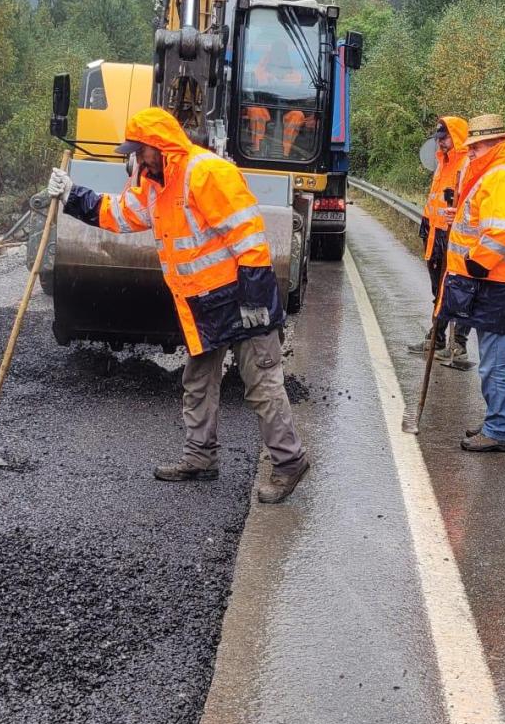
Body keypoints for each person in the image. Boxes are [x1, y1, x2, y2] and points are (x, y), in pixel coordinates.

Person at [46, 107, 310, 504]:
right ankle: (199, 457)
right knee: (199, 381)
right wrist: (71, 195)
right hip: (203, 306)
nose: (136, 158)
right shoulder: (155, 185)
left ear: (159, 146)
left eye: (140, 150)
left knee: (262, 385)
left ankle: (289, 462)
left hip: (241, 298)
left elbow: (250, 236)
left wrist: (256, 302)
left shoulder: (206, 173)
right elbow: (118, 214)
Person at [439, 113, 505, 453]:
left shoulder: (503, 177)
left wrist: (475, 265)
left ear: (494, 145)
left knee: (496, 364)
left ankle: (500, 430)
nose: (470, 153)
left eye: (476, 147)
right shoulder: (494, 175)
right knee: (492, 361)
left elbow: (502, 230)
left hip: (502, 284)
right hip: (500, 283)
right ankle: (497, 421)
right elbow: (485, 220)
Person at [409, 116, 473, 370]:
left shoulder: (466, 164)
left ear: (456, 136)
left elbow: (469, 205)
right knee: (440, 291)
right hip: (435, 235)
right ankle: (436, 337)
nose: (441, 143)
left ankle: (458, 344)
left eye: (444, 138)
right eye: (438, 139)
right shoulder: (441, 163)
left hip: (456, 236)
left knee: (458, 291)